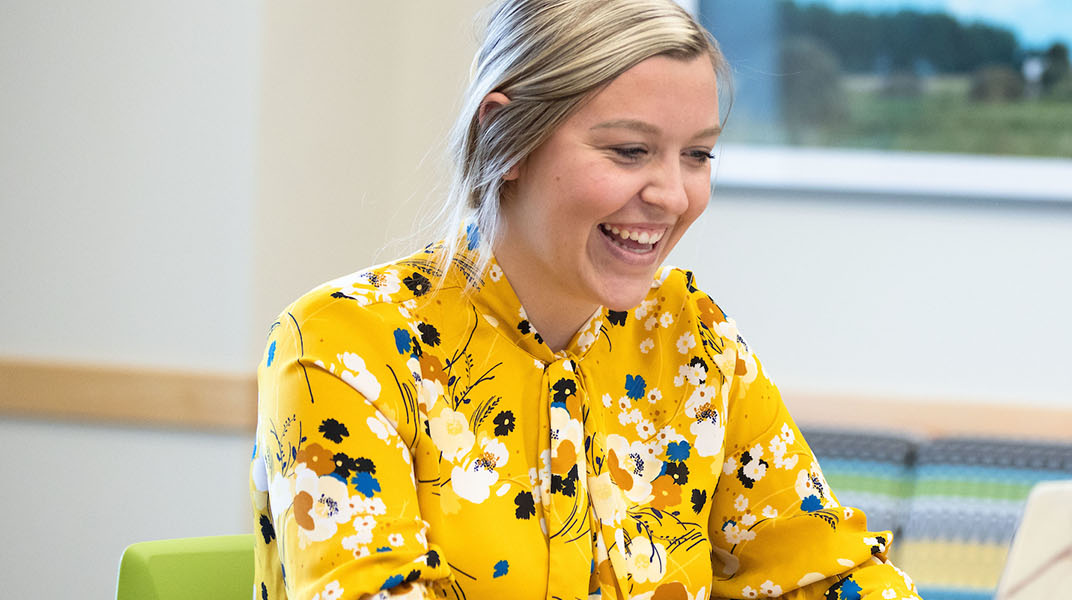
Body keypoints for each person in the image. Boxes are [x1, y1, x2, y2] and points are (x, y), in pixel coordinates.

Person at [247, 1, 921, 599]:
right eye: (630, 151)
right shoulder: (341, 346)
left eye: (697, 156)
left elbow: (829, 573)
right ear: (504, 139)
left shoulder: (696, 343)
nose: (673, 196)